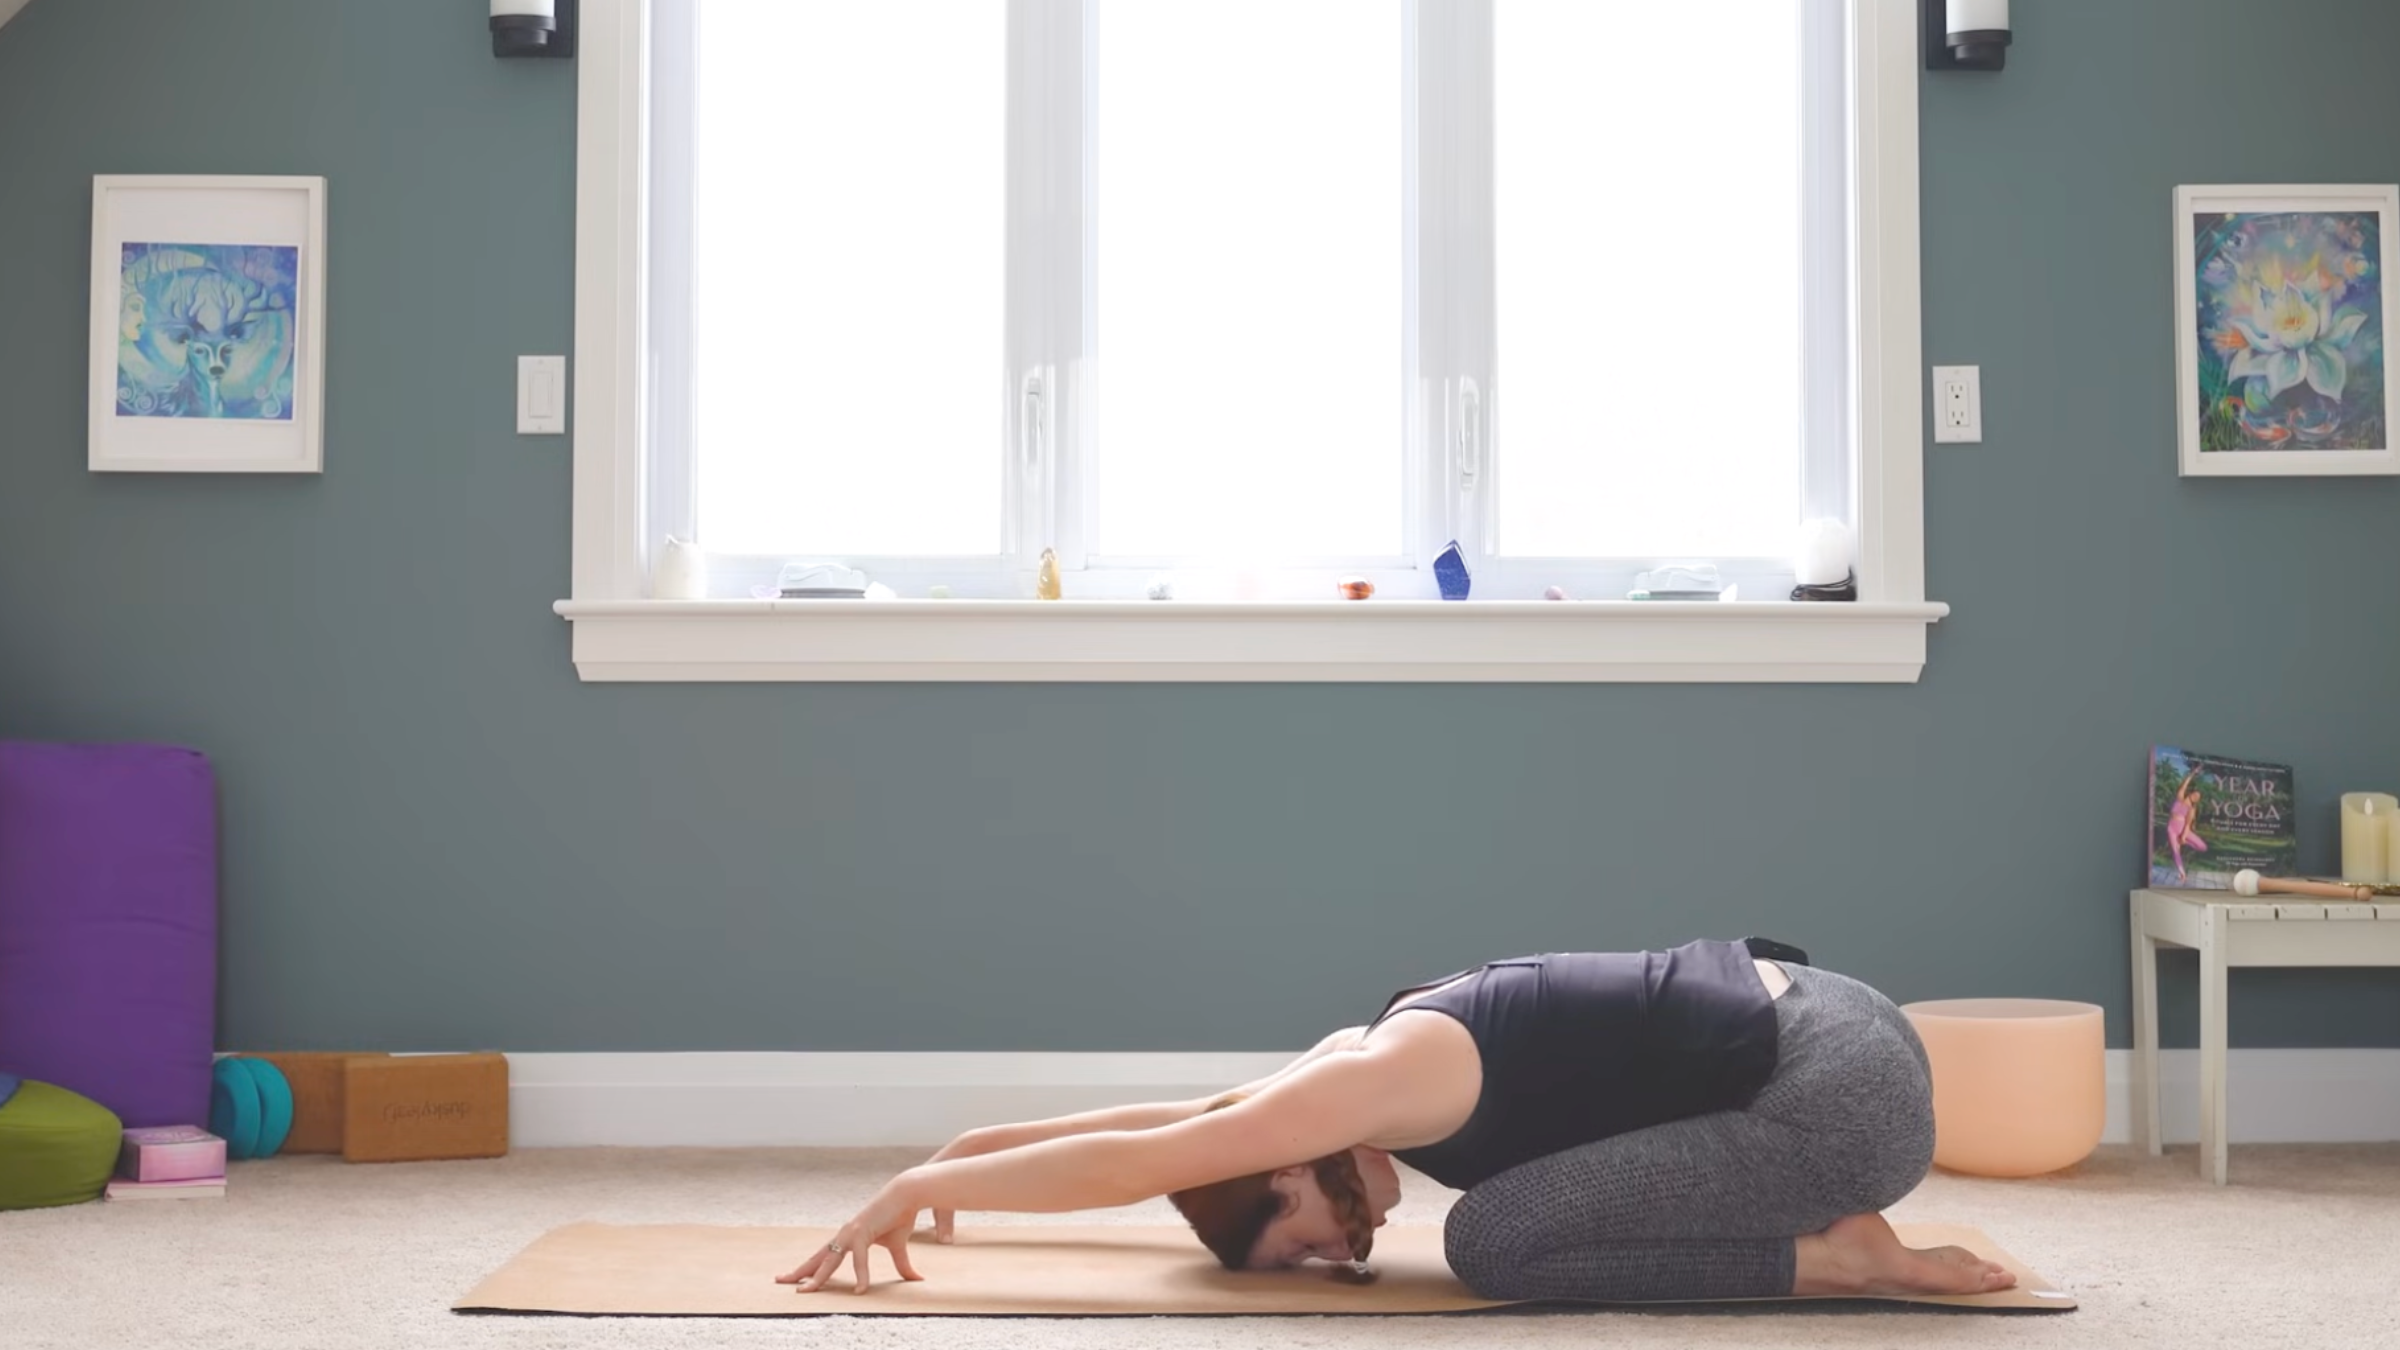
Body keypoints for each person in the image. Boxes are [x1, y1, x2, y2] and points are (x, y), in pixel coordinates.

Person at [776, 937, 2016, 1304]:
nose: (1347, 1254)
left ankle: (1842, 1256)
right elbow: (1192, 1117)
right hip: (1845, 1025)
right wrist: (956, 1161)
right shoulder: (1355, 1071)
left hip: (1844, 1100)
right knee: (1496, 1228)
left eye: (1304, 1239)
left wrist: (892, 1202)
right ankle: (1837, 1237)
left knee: (1497, 1242)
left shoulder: (1379, 1083)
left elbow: (1155, 1158)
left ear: (1292, 1169)